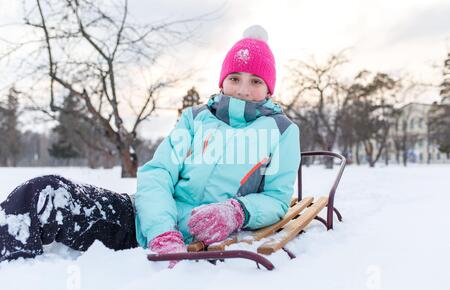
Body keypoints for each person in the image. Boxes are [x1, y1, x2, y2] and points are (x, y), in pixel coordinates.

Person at [0, 25, 301, 268]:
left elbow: (276, 198)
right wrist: (161, 229)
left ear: (269, 88)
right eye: (234, 78)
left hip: (199, 234)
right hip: (144, 218)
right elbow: (158, 173)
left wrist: (237, 211)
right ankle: (12, 275)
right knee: (44, 192)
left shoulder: (281, 132)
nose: (243, 89)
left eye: (255, 81)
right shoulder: (195, 119)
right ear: (222, 80)